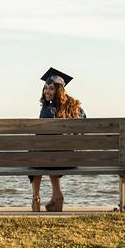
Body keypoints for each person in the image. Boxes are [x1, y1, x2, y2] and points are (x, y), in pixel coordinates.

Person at [29, 67, 86, 212]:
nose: (47, 92)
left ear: (58, 91)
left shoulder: (47, 109)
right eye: (46, 88)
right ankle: (57, 196)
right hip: (72, 159)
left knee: (34, 155)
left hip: (53, 158)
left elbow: (43, 138)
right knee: (50, 154)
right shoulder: (76, 108)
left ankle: (36, 197)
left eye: (51, 89)